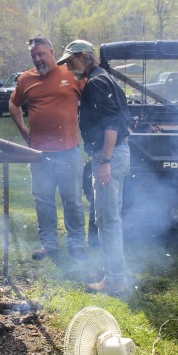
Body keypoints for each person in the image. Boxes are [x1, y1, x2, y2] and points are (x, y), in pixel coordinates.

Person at [58, 40, 131, 295]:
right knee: (110, 218)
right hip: (115, 154)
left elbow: (112, 122)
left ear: (86, 56)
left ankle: (116, 280)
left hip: (108, 157)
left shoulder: (96, 83)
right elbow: (125, 120)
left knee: (108, 220)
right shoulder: (106, 79)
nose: (69, 67)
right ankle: (114, 275)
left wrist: (106, 161)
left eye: (71, 61)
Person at [10, 37, 86, 260]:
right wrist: (23, 130)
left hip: (69, 152)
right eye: (34, 55)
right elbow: (14, 103)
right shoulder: (26, 79)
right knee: (43, 201)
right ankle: (49, 244)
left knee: (72, 200)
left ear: (52, 52)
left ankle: (77, 244)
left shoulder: (70, 74)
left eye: (41, 54)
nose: (38, 59)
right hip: (39, 155)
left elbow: (91, 98)